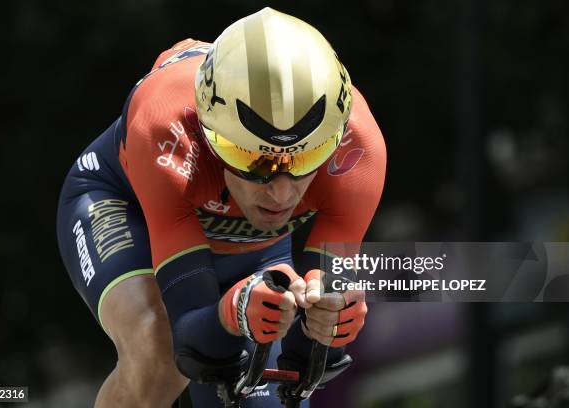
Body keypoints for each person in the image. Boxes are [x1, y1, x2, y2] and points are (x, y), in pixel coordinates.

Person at [56, 7, 386, 408]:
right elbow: (189, 339)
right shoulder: (165, 128)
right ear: (210, 134)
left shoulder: (358, 150)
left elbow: (310, 359)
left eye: (304, 160)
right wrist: (230, 314)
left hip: (251, 244)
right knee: (157, 350)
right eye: (251, 160)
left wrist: (333, 320)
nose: (281, 195)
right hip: (127, 207)